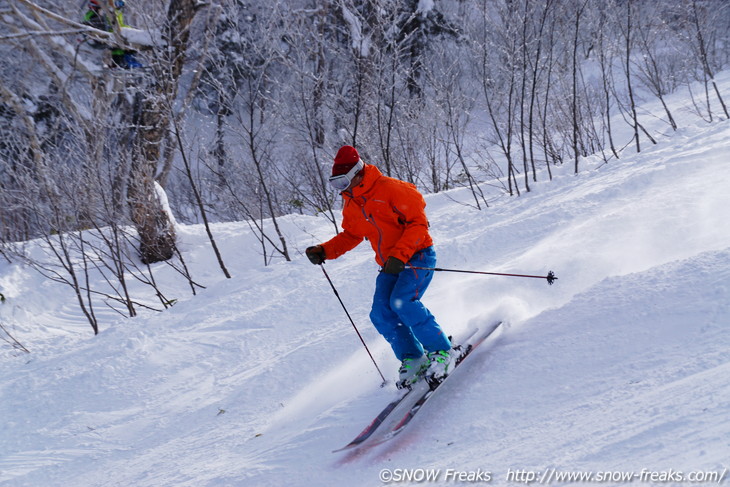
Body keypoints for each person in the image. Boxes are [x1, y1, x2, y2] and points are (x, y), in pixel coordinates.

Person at [306, 146, 455, 389]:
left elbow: (418, 225)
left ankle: (442, 351)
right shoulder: (353, 203)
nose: (341, 188)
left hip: (418, 255)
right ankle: (413, 358)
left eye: (343, 181)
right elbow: (352, 235)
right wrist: (325, 250)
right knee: (381, 313)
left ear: (358, 172)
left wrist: (400, 255)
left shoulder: (394, 190)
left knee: (402, 302)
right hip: (390, 264)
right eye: (335, 183)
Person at [82, 0, 143, 69]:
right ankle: (126, 61)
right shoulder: (101, 13)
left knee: (119, 44)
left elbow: (118, 25)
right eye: (118, 4)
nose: (119, 6)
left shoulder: (113, 12)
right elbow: (108, 25)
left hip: (109, 35)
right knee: (124, 39)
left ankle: (118, 63)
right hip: (105, 34)